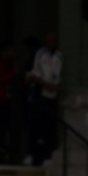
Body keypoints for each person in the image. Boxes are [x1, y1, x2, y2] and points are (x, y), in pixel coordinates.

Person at [24, 32, 62, 166]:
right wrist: (44, 84)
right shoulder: (40, 54)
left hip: (52, 94)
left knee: (49, 126)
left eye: (53, 40)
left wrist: (55, 86)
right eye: (48, 40)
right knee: (35, 124)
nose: (51, 42)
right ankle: (30, 154)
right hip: (39, 92)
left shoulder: (58, 56)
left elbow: (59, 74)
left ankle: (47, 156)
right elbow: (33, 73)